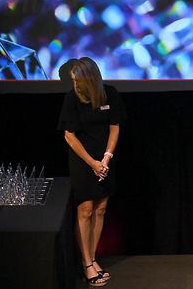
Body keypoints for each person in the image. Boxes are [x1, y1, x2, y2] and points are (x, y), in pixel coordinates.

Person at [58, 58, 125, 286]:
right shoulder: (71, 98)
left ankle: (93, 258)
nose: (76, 84)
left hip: (105, 160)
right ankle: (86, 263)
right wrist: (92, 163)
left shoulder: (110, 94)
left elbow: (115, 127)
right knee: (86, 209)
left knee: (101, 208)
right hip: (82, 161)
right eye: (73, 81)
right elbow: (69, 135)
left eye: (79, 80)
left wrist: (106, 157)